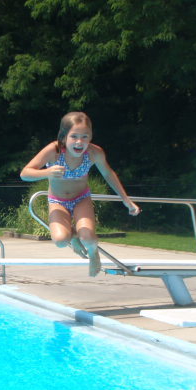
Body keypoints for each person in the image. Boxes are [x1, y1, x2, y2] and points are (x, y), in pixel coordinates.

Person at [20, 112, 141, 276]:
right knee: (61, 241)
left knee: (89, 238)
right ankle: (73, 236)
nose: (80, 141)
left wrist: (126, 200)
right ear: (64, 136)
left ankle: (93, 254)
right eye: (74, 136)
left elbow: (108, 174)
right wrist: (47, 172)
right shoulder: (54, 151)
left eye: (85, 136)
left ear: (91, 137)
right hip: (58, 200)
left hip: (81, 199)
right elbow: (25, 173)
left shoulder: (94, 153)